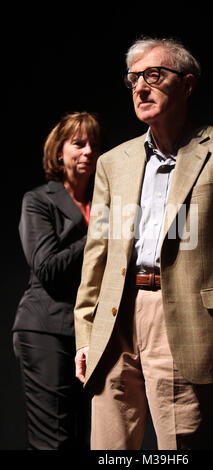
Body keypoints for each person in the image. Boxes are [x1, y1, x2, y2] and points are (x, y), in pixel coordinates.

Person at [74, 37, 213, 450]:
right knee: (109, 449)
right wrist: (84, 333)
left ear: (186, 85)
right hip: (116, 319)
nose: (140, 89)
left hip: (183, 318)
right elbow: (99, 255)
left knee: (181, 446)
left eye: (153, 76)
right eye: (133, 80)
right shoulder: (115, 162)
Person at [13, 111, 104, 450]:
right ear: (58, 152)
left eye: (94, 145)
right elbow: (47, 268)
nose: (88, 152)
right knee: (54, 442)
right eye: (78, 144)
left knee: (86, 439)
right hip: (45, 327)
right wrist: (98, 232)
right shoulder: (38, 200)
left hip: (89, 333)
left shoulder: (103, 203)